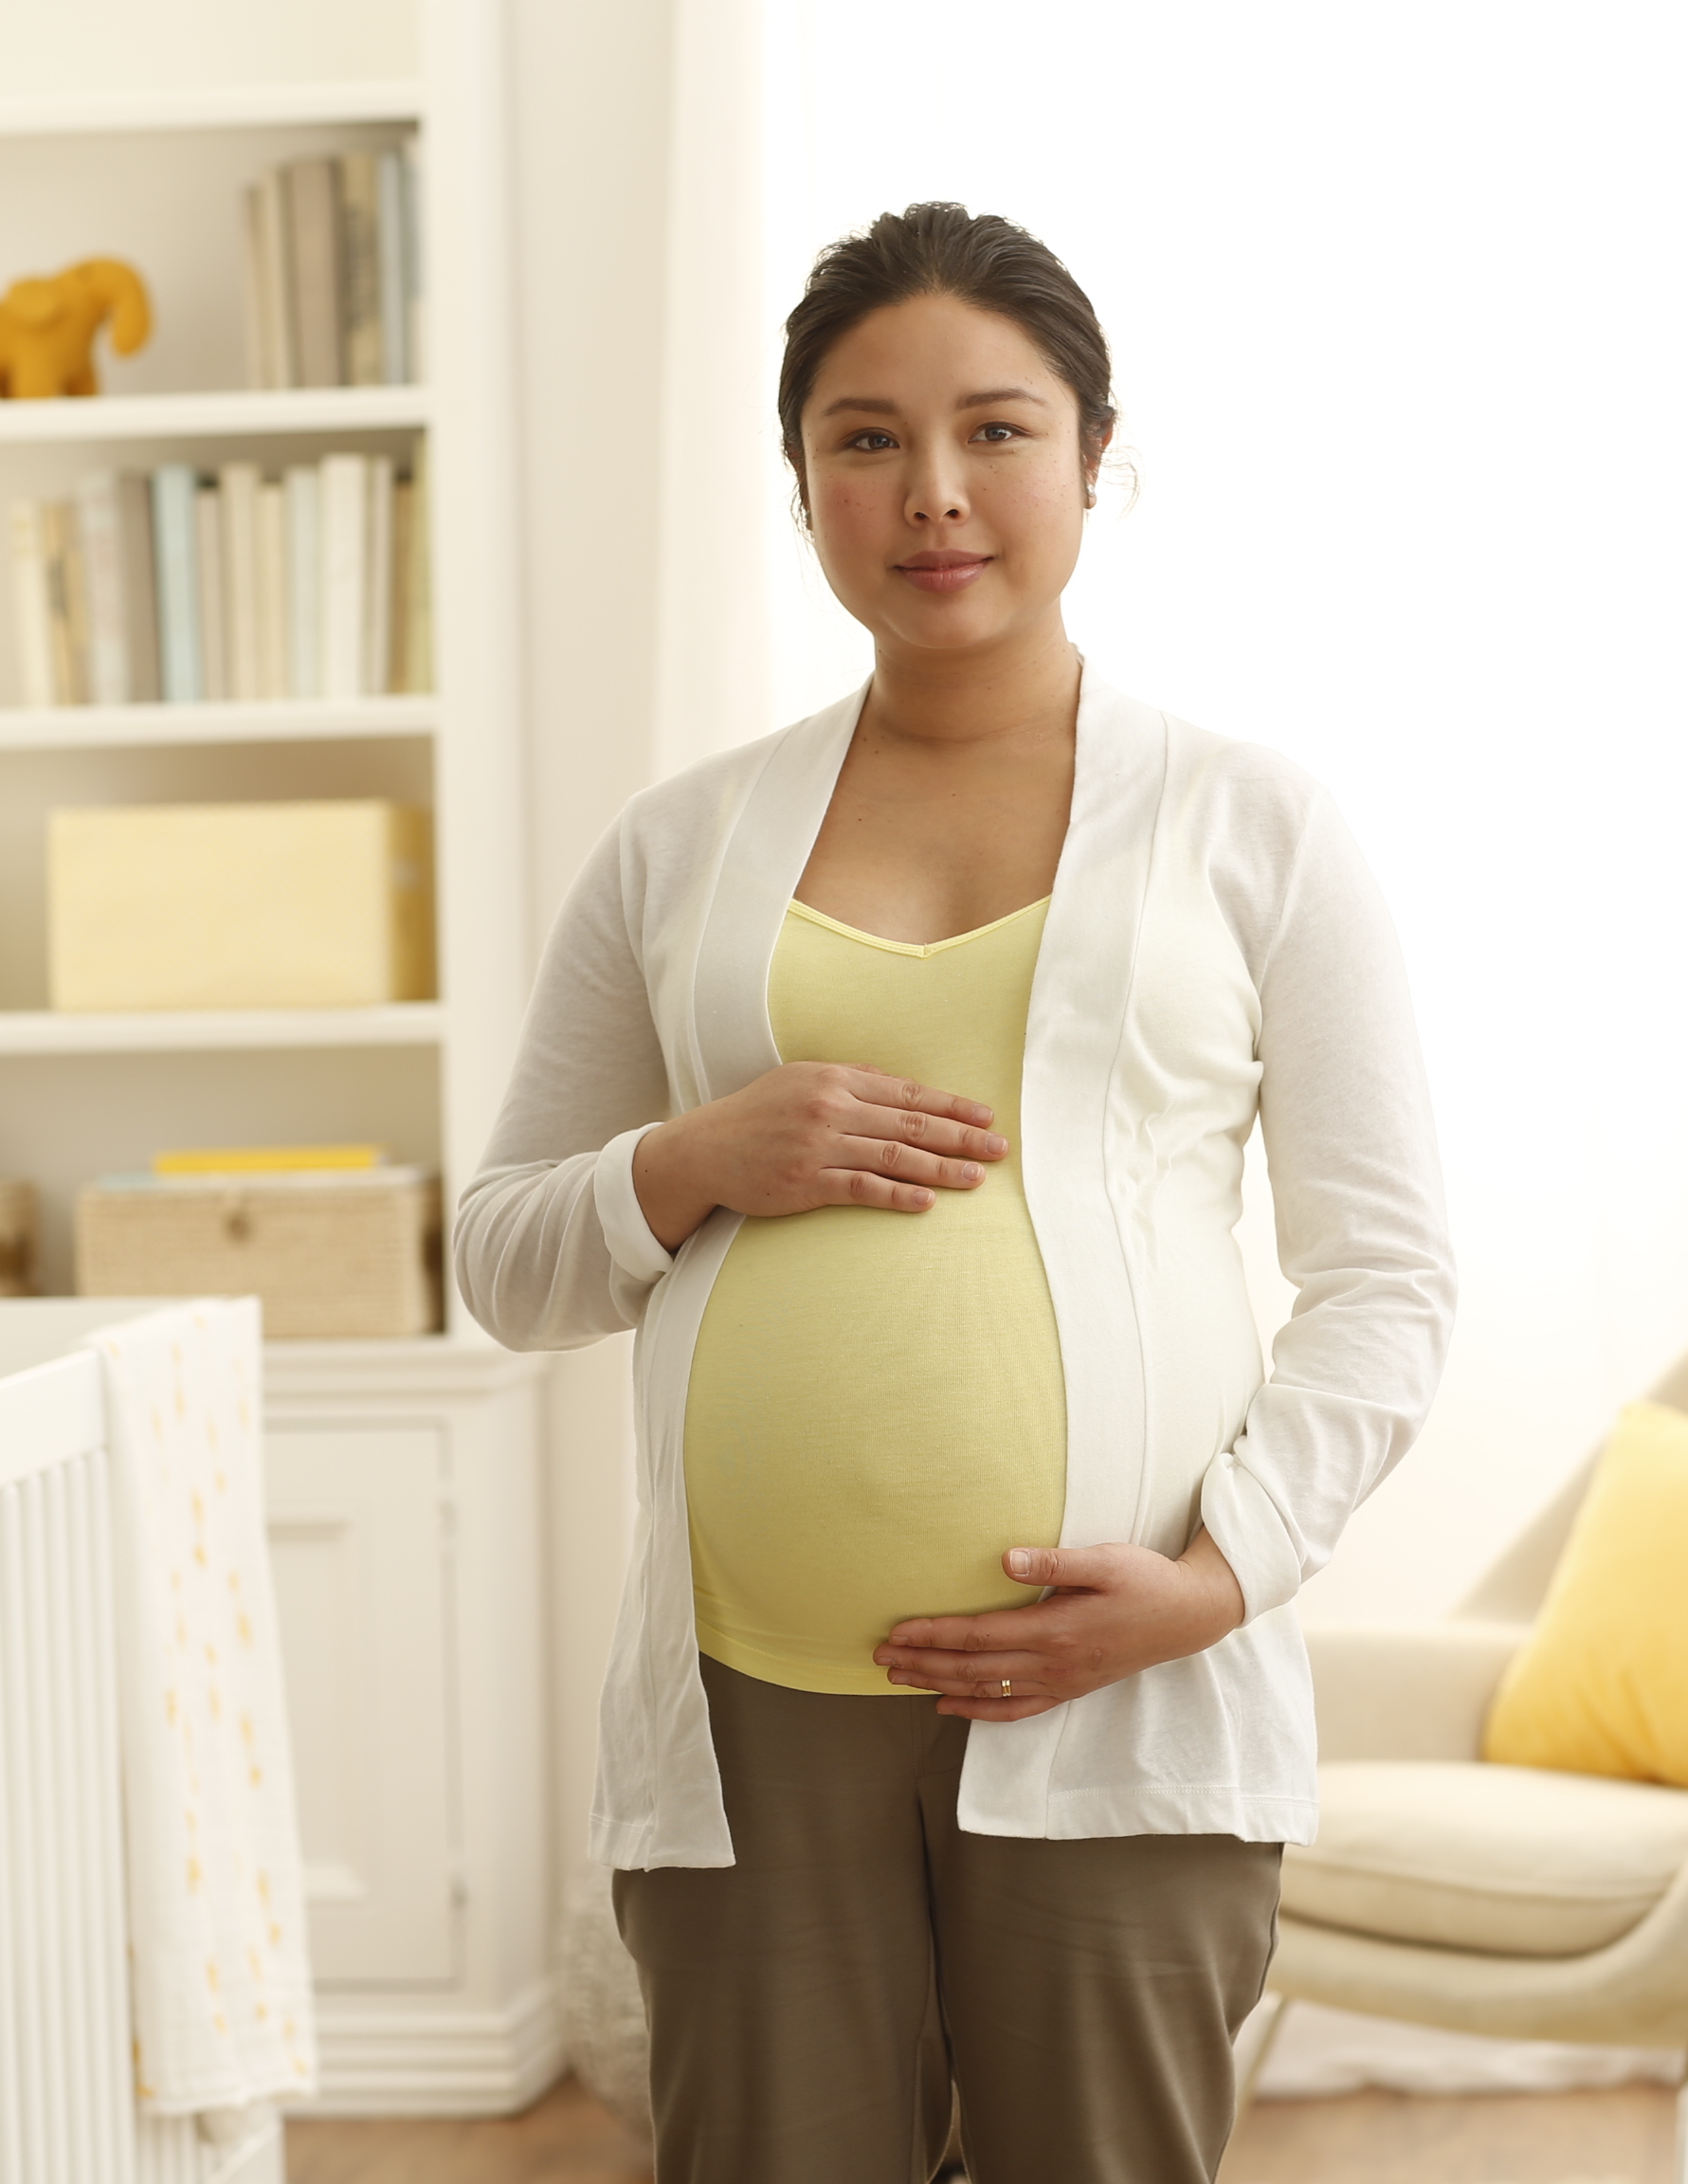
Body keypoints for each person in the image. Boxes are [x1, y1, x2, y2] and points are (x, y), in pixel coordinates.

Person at [454, 201, 1455, 2184]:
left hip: (1122, 1691)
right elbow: (502, 1259)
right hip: (750, 1721)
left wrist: (1218, 1577)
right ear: (801, 478)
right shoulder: (675, 851)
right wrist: (689, 1160)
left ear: (1097, 458)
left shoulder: (1256, 827)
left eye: (997, 430)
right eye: (863, 438)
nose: (932, 494)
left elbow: (1388, 1281)